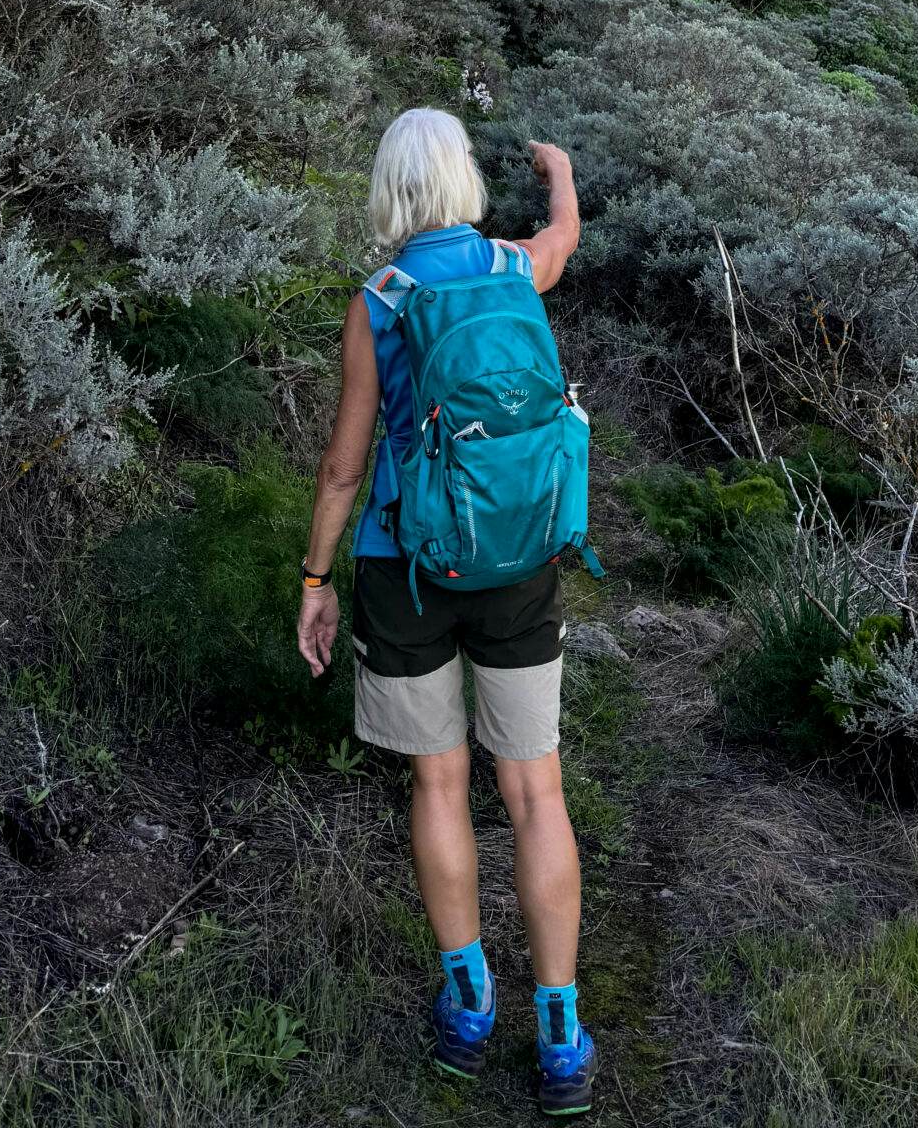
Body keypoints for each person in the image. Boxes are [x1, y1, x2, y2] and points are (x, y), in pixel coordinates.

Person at [296, 108, 598, 1117]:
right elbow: (565, 238)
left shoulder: (379, 300)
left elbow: (344, 466)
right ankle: (560, 1031)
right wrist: (558, 174)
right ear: (464, 180)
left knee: (440, 780)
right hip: (518, 560)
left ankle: (468, 1002)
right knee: (536, 793)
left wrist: (315, 580)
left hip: (406, 566)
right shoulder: (516, 271)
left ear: (389, 189)